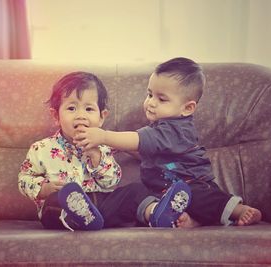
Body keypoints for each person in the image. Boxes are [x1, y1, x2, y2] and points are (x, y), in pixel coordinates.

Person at [74, 58, 262, 227]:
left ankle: (239, 209)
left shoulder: (176, 130)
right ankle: (189, 220)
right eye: (149, 95)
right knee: (139, 195)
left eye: (161, 99)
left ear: (187, 108)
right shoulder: (159, 128)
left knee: (197, 197)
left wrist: (104, 137)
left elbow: (138, 140)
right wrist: (120, 147)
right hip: (162, 191)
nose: (151, 103)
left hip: (191, 183)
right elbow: (146, 151)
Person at [18, 71, 193, 231]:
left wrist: (96, 156)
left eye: (89, 109)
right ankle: (77, 218)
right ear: (56, 116)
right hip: (61, 210)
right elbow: (25, 178)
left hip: (100, 207)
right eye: (71, 108)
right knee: (54, 203)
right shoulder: (41, 149)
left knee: (135, 191)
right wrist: (43, 189)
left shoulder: (103, 146)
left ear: (102, 117)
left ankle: (156, 213)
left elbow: (111, 183)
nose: (81, 115)